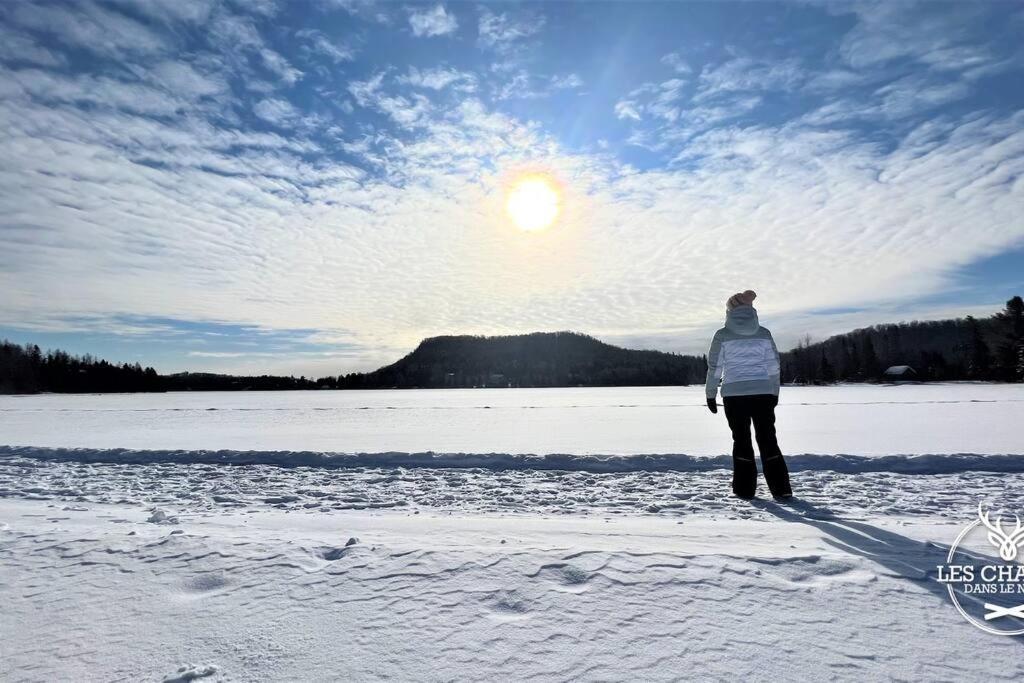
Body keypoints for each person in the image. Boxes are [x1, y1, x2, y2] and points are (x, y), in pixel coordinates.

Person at [705, 290, 793, 500]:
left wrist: (710, 393)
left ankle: (744, 490)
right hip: (763, 393)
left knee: (741, 440)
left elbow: (715, 367)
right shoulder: (763, 333)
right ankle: (781, 489)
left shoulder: (722, 335)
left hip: (734, 396)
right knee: (768, 439)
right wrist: (774, 391)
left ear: (729, 311)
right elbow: (774, 366)